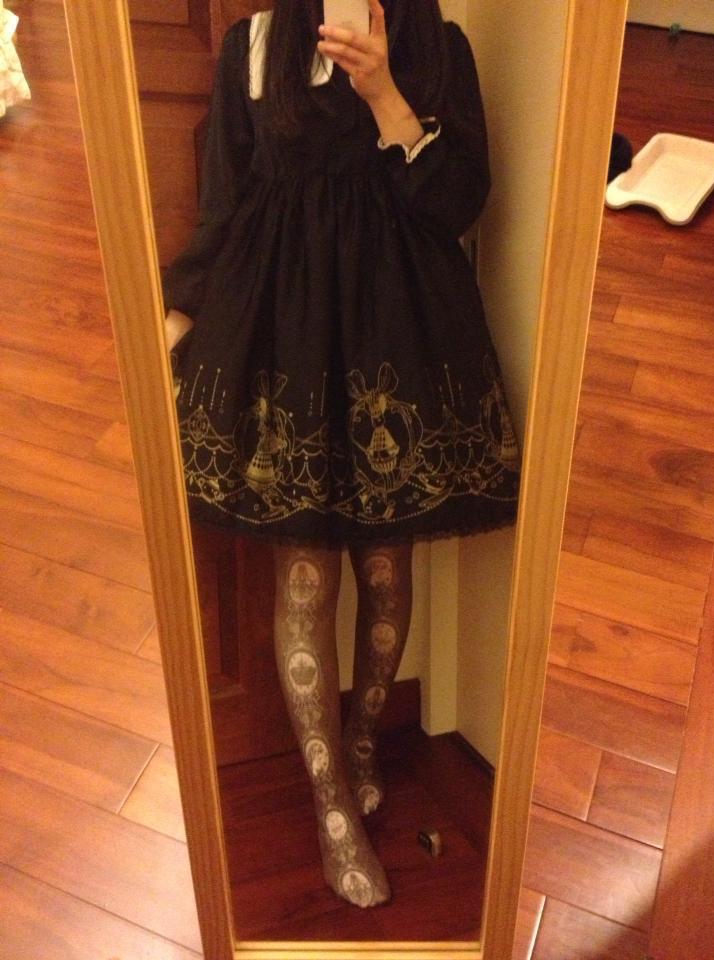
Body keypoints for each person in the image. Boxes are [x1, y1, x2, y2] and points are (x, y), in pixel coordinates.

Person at [163, 0, 520, 909]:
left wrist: (384, 91)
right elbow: (223, 207)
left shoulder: (438, 45)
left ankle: (362, 743)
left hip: (402, 339)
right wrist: (176, 314)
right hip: (286, 346)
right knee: (305, 583)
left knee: (388, 573)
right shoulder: (251, 49)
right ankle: (329, 805)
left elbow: (459, 203)